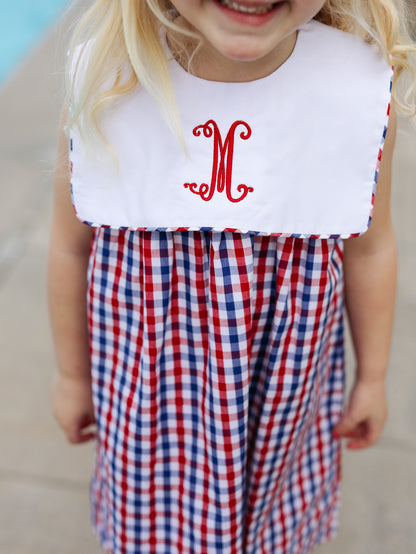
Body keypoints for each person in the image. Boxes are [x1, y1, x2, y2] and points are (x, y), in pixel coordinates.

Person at [48, 1, 416, 552]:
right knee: (156, 525)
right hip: (150, 400)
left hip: (282, 394)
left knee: (268, 523)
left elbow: (371, 248)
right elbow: (70, 247)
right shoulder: (107, 83)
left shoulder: (353, 93)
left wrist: (372, 377)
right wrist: (75, 377)